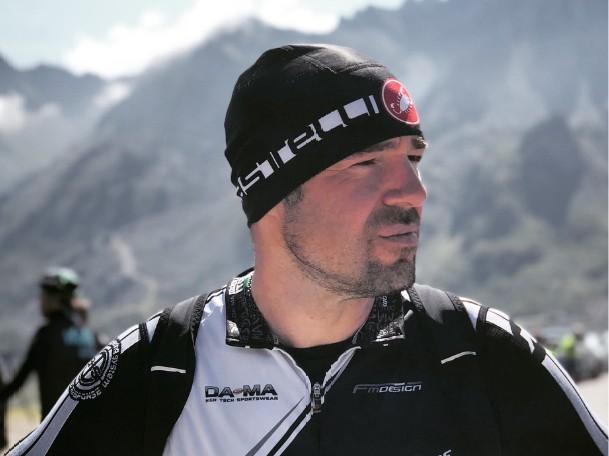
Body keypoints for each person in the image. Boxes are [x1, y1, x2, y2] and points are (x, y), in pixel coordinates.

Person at [6, 44, 607, 456]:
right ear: (271, 194)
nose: (414, 192)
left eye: (414, 158)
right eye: (367, 163)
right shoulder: (160, 368)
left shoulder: (479, 352)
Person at [0, 267, 101, 421]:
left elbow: (18, 381)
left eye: (43, 295)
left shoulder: (46, 335)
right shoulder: (92, 336)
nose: (40, 301)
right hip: (89, 424)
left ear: (53, 299)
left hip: (55, 428)